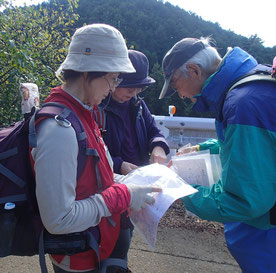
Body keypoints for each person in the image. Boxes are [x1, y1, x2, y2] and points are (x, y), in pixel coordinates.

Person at [31, 24, 162, 273]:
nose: (113, 88)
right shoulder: (59, 129)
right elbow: (59, 219)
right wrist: (123, 195)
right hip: (77, 257)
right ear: (88, 72)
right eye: (112, 79)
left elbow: (93, 173)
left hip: (94, 244)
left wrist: (128, 183)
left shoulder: (82, 113)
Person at [159, 37, 276, 272]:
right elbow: (260, 146)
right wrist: (206, 147)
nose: (179, 95)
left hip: (267, 239)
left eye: (175, 85)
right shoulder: (253, 82)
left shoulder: (242, 103)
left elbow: (245, 202)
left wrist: (182, 189)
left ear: (194, 71)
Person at [97, 50, 170, 271]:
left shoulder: (138, 104)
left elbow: (152, 130)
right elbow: (94, 146)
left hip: (135, 181)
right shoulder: (99, 106)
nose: (134, 91)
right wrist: (118, 163)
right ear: (114, 78)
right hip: (109, 182)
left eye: (140, 86)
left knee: (125, 231)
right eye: (129, 85)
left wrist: (158, 146)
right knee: (110, 235)